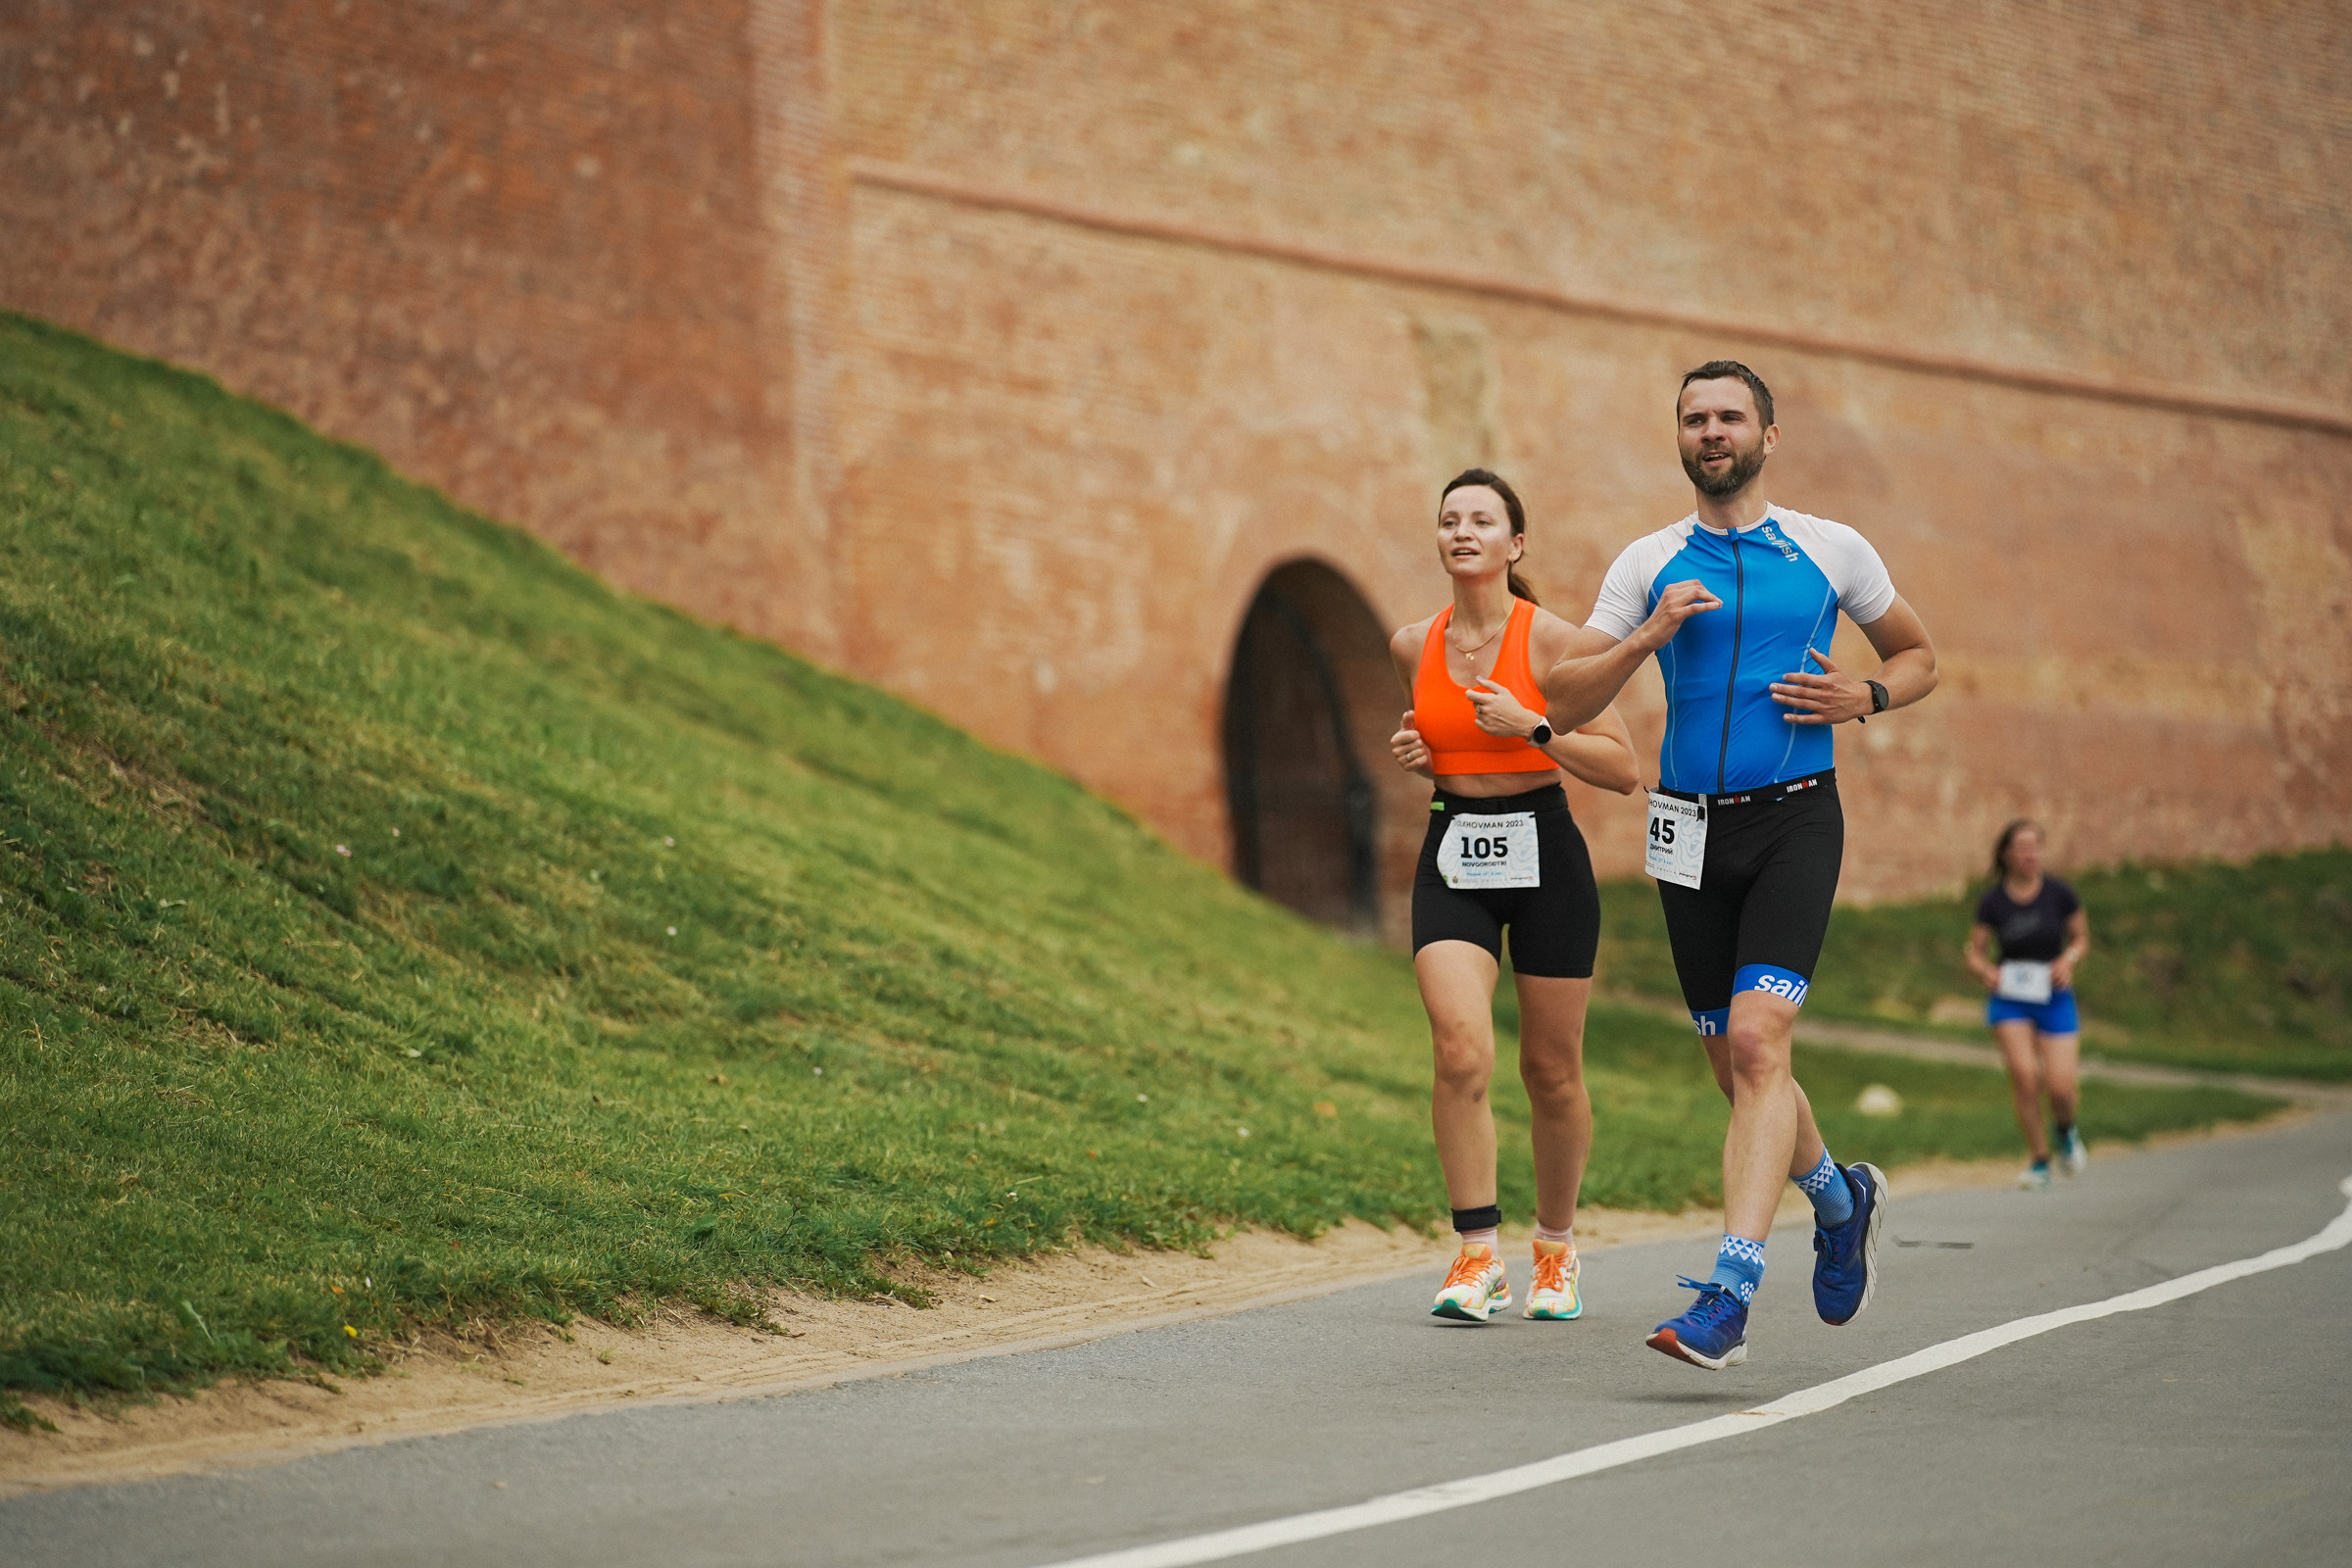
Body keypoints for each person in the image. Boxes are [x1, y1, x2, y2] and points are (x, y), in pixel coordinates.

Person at [1542, 362, 1940, 1369]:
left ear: (1770, 433)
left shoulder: (1831, 547)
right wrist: (1649, 634)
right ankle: (1841, 1202)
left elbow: (1918, 653)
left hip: (1797, 819)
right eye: (1694, 417)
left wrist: (1871, 697)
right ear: (1679, 437)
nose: (1711, 430)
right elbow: (1567, 699)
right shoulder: (1648, 560)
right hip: (1687, 831)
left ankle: (1730, 1293)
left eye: (1729, 416)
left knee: (1762, 1041)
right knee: (1735, 1067)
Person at [1389, 468, 1642, 1324]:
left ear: (1514, 543)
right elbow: (1438, 737)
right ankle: (1476, 1255)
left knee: (1550, 1070)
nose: (1463, 531)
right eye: (1450, 520)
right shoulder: (1409, 643)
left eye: (1482, 520)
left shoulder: (1554, 643)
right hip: (1453, 849)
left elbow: (1622, 767)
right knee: (1460, 1051)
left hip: (1547, 857)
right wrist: (1431, 758)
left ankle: (1557, 1251)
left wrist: (1534, 729)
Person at [1965, 819, 2090, 1190]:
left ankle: (2066, 1130)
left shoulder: (2060, 894)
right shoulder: (1993, 901)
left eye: (2036, 846)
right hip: (2011, 999)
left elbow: (2081, 938)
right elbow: (1974, 952)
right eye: (2022, 847)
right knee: (2025, 1077)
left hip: (2054, 996)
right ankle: (2039, 1160)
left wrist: (2069, 960)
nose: (2030, 854)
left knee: (2062, 1087)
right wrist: (1986, 971)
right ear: (2007, 854)